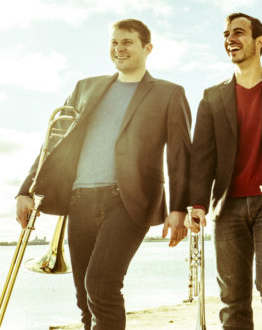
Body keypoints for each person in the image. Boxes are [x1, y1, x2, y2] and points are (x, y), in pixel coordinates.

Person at [15, 19, 191, 330]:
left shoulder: (169, 93)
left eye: (127, 42)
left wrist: (179, 208)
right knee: (84, 297)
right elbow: (54, 142)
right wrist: (26, 189)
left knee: (101, 284)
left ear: (148, 48)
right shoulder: (85, 87)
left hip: (129, 201)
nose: (119, 48)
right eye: (114, 42)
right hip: (79, 201)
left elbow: (180, 155)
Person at [185, 12, 262, 329]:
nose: (230, 39)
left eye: (238, 32)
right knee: (232, 300)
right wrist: (197, 203)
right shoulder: (212, 96)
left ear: (259, 41)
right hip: (227, 207)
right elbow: (202, 156)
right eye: (226, 34)